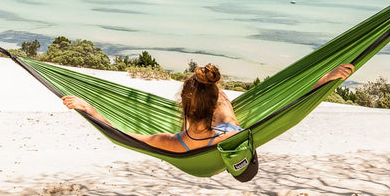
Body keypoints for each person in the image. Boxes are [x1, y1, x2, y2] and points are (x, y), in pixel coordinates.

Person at [62, 61, 354, 153]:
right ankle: (208, 89)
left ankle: (204, 91)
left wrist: (90, 109)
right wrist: (322, 83)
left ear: (183, 108)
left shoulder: (170, 143)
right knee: (224, 101)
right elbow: (288, 107)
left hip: (193, 141)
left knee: (219, 100)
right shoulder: (232, 131)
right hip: (226, 132)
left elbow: (121, 134)